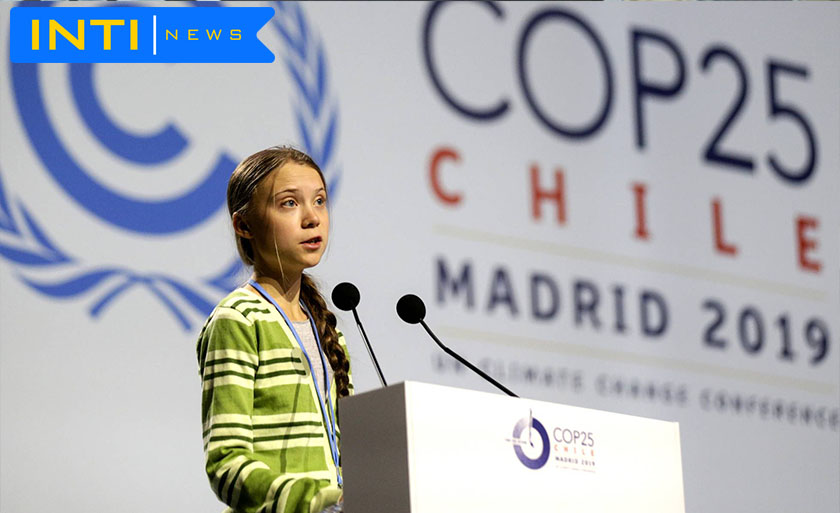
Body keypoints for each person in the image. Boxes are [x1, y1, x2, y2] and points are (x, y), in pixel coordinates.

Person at [196, 146, 351, 513]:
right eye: (289, 204)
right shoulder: (239, 319)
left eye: (319, 201)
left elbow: (348, 453)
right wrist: (316, 501)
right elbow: (226, 464)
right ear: (244, 225)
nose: (312, 218)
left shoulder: (325, 327)